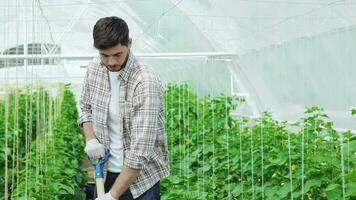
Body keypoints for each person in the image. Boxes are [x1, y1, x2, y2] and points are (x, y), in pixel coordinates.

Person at [78, 16, 170, 200]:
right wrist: (91, 140)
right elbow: (85, 107)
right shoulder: (95, 68)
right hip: (103, 173)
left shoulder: (145, 82)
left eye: (117, 54)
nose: (111, 62)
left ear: (129, 43)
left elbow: (140, 151)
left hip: (140, 182)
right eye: (105, 55)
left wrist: (112, 196)